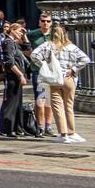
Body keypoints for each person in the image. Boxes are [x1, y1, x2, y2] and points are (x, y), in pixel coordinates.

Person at [30, 15, 91, 144]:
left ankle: (63, 134)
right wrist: (73, 69)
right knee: (69, 106)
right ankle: (72, 132)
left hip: (54, 79)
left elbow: (34, 55)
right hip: (68, 78)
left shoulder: (48, 45)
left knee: (58, 106)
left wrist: (44, 65)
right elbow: (86, 59)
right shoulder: (71, 47)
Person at [0, 23, 30, 138]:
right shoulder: (8, 43)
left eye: (22, 32)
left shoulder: (15, 43)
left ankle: (16, 127)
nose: (21, 33)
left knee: (17, 103)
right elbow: (9, 62)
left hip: (17, 77)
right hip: (12, 77)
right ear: (12, 30)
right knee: (10, 103)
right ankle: (6, 129)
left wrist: (25, 36)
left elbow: (28, 49)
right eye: (19, 31)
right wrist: (20, 75)